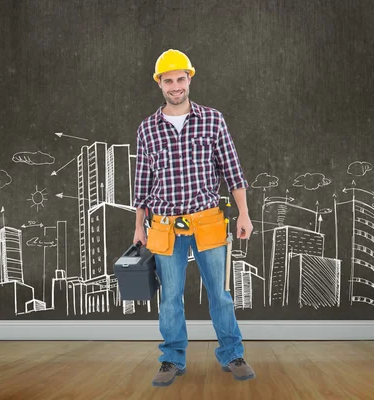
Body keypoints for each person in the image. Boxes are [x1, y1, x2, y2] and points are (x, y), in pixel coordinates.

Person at [132, 49, 255, 387]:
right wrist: (138, 226)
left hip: (208, 220)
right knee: (170, 297)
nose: (175, 86)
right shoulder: (147, 130)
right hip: (165, 225)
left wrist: (244, 213)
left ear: (189, 79)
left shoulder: (213, 120)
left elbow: (233, 171)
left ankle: (232, 354)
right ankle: (171, 359)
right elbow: (142, 183)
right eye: (168, 80)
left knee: (220, 293)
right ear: (159, 84)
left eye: (180, 79)